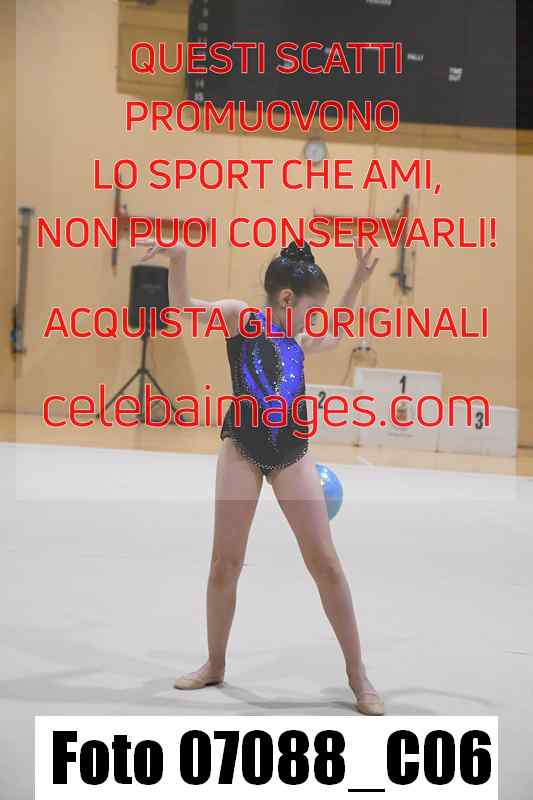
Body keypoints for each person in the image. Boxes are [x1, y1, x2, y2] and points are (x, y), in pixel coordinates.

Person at [139, 238, 384, 715]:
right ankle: (214, 663)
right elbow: (184, 309)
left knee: (326, 563)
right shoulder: (240, 317)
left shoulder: (301, 339)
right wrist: (180, 258)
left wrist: (357, 281)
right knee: (224, 564)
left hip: (291, 451)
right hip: (242, 448)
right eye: (312, 309)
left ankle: (358, 675)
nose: (316, 319)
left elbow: (337, 331)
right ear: (287, 299)